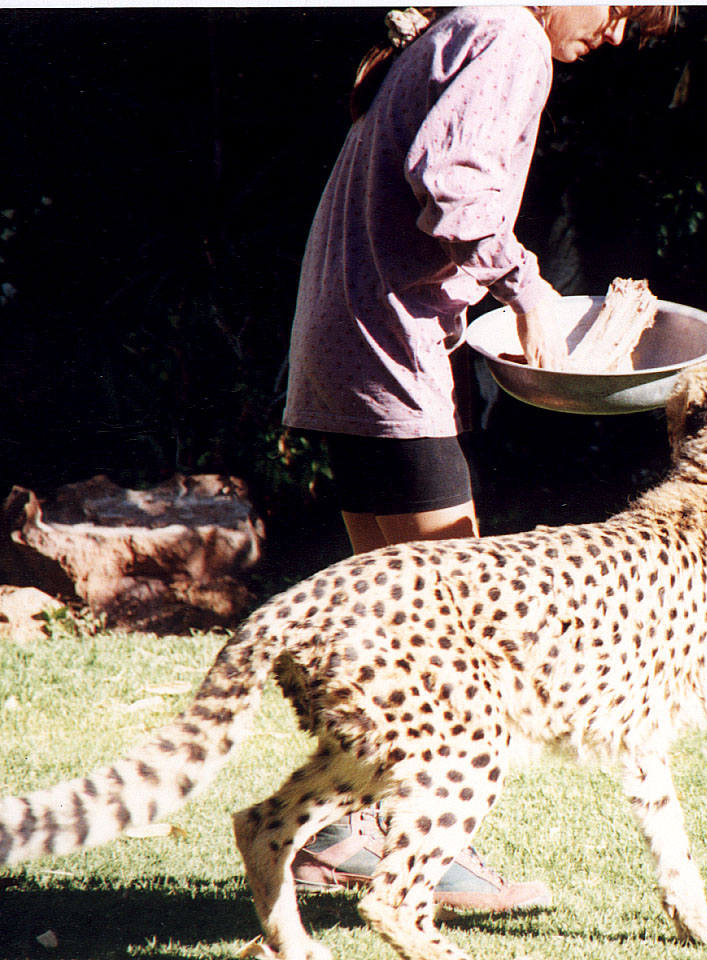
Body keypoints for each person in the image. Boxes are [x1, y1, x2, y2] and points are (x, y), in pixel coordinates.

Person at [281, 4, 677, 912]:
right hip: (388, 355)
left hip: (344, 351)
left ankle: (342, 833)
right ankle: (431, 855)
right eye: (618, 9)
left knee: (398, 627)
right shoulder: (510, 32)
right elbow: (453, 185)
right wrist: (531, 290)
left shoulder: (467, 22)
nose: (614, 35)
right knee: (461, 633)